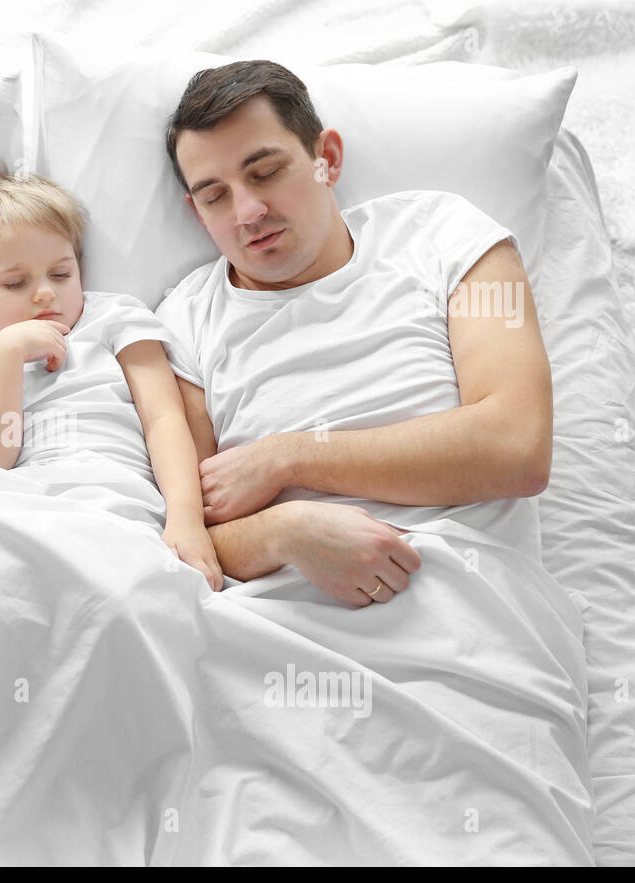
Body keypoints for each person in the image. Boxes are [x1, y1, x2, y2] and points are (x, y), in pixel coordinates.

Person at [158, 60, 554, 606]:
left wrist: (287, 458)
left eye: (265, 171)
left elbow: (518, 448)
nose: (247, 211)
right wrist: (284, 532)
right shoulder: (181, 322)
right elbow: (190, 537)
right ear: (196, 211)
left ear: (328, 159)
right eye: (214, 196)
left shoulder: (448, 237)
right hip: (265, 633)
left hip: (468, 618)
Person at [0, 170, 223, 589]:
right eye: (16, 283)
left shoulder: (116, 319)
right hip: (25, 504)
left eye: (60, 274)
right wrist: (8, 354)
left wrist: (185, 518)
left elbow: (164, 419)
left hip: (122, 496)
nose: (44, 294)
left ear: (81, 271)